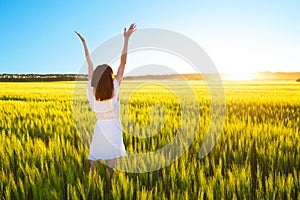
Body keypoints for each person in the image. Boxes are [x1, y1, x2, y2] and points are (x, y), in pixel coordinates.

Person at [75, 23, 136, 180]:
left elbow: (89, 64)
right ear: (110, 77)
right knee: (112, 155)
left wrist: (84, 43)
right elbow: (123, 63)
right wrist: (126, 39)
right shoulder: (114, 87)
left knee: (95, 152)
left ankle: (92, 175)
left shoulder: (91, 90)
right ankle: (110, 179)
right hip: (114, 127)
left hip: (101, 126)